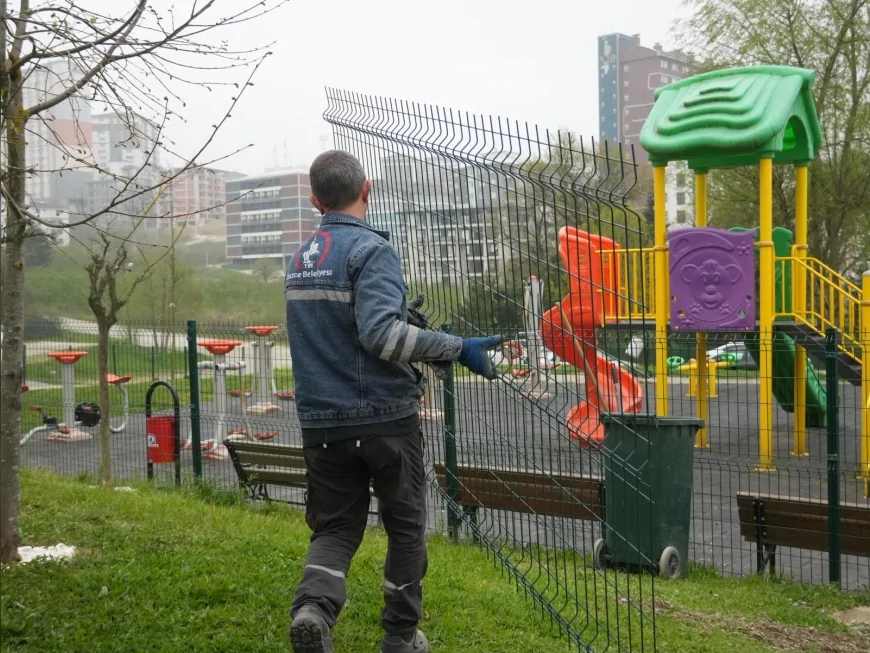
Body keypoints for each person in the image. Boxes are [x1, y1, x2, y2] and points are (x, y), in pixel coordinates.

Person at [285, 150, 502, 653]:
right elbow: (380, 335)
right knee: (405, 530)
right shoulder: (372, 250)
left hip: (322, 423)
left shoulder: (299, 261)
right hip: (385, 420)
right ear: (368, 189)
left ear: (315, 200)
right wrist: (455, 347)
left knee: (335, 528)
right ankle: (401, 637)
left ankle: (314, 610)